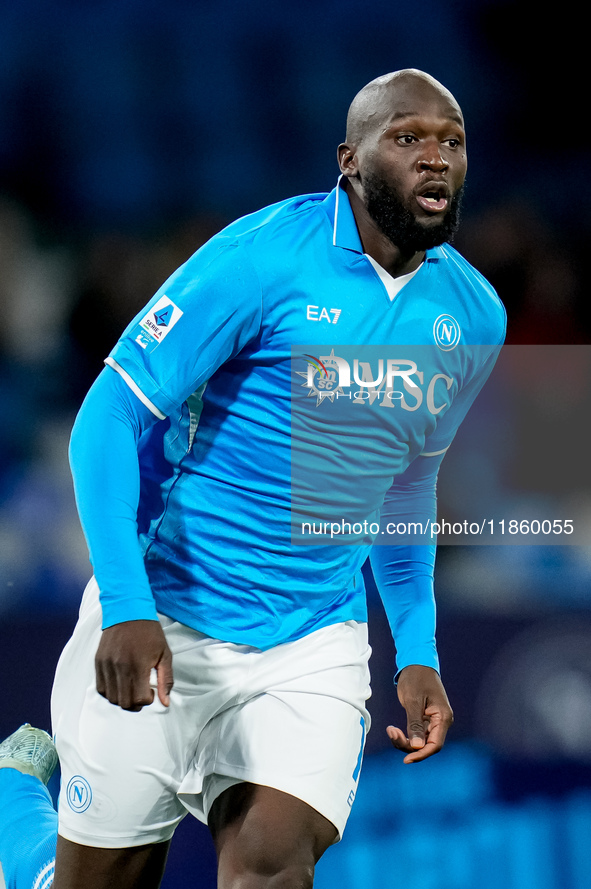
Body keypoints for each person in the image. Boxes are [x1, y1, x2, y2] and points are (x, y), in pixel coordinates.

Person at [0, 68, 505, 889]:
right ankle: (17, 798)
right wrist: (127, 606)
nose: (435, 158)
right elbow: (106, 418)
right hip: (168, 612)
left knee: (270, 868)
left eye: (450, 141)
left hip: (311, 642)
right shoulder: (259, 259)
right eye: (406, 138)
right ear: (349, 158)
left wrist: (417, 649)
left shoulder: (474, 316)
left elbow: (406, 486)